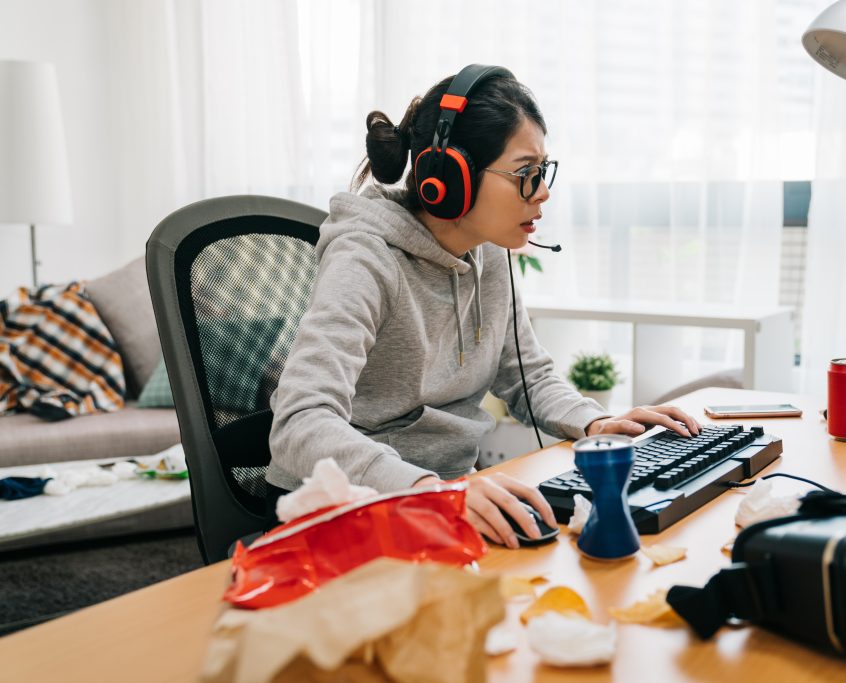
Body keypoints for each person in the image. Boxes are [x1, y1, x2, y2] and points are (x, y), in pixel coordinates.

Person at [266, 65, 701, 548]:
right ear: (450, 177)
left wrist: (594, 422)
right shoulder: (365, 257)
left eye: (543, 171)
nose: (543, 191)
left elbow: (527, 375)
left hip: (446, 496)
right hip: (347, 508)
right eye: (524, 174)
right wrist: (426, 489)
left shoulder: (487, 250)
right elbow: (299, 420)